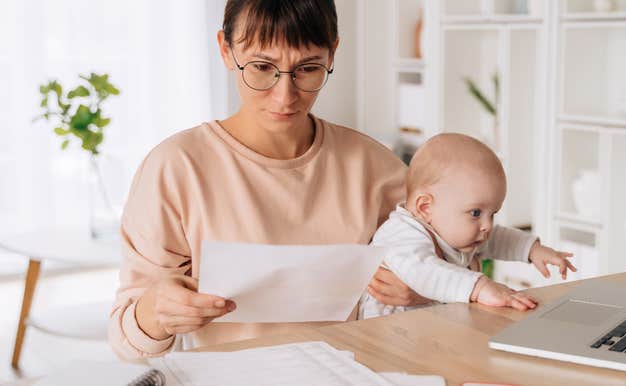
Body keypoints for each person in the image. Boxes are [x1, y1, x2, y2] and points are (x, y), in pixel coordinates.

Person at [108, 0, 425, 360]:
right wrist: (156, 311)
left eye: (307, 68)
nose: (285, 96)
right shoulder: (176, 169)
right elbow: (125, 343)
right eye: (261, 67)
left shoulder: (377, 170)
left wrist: (423, 291)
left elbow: (458, 269)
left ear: (332, 53)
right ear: (226, 50)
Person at [359, 133, 577, 319]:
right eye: (476, 213)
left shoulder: (452, 228)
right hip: (386, 336)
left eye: (493, 214)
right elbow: (423, 272)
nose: (487, 226)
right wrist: (481, 287)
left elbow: (497, 238)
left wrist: (532, 250)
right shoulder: (402, 234)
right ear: (425, 208)